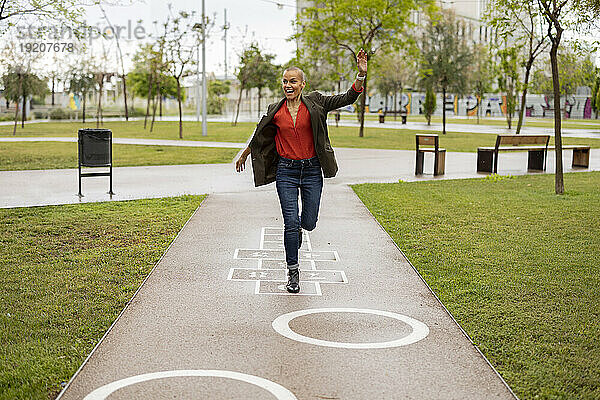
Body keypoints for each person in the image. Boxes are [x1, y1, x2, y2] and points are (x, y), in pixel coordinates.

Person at [235, 49, 368, 293]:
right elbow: (259, 132)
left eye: (292, 81)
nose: (288, 85)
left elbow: (348, 97)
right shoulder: (276, 109)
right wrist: (245, 153)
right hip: (285, 171)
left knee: (308, 223)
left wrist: (360, 75)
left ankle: (299, 228)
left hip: (311, 171)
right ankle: (293, 272)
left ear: (302, 84)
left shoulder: (316, 102)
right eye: (285, 81)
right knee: (290, 222)